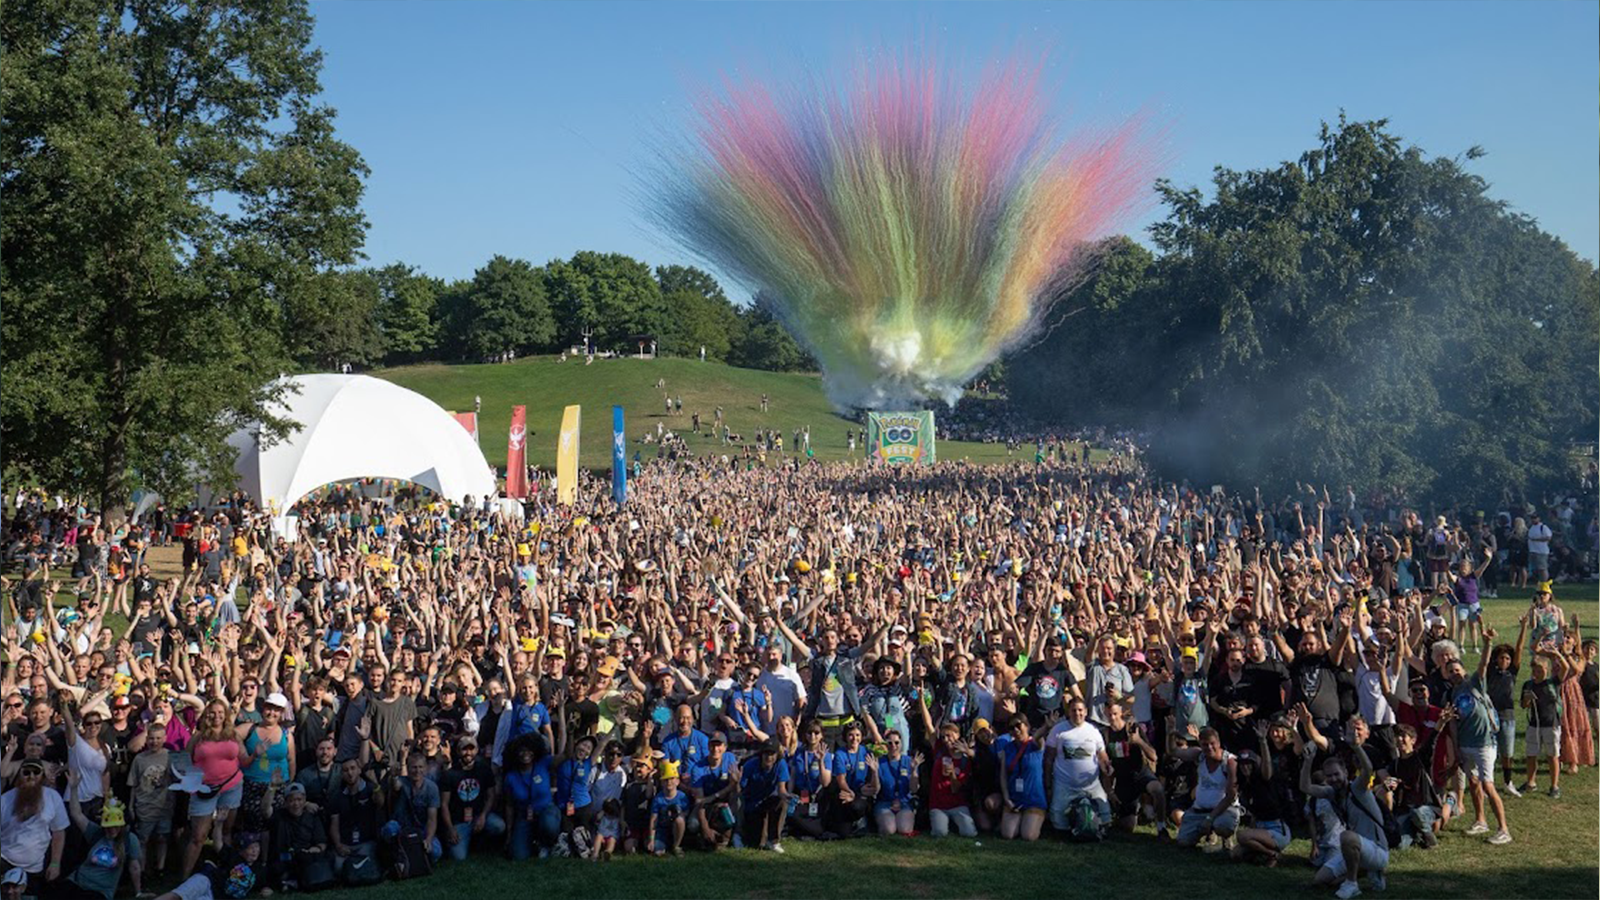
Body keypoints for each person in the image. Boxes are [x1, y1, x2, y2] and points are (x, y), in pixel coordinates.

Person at [1443, 635, 1512, 844]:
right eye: (1450, 671)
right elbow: (1454, 723)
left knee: (1488, 785)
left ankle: (1504, 830)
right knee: (1473, 783)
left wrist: (1488, 643)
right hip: (1466, 744)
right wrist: (1456, 749)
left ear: (1463, 671)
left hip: (1484, 744)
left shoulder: (1474, 683)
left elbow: (1483, 664)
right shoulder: (1453, 694)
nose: (1454, 674)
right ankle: (1480, 820)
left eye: (1457, 670)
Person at [1302, 740, 1388, 899]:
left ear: (1346, 773)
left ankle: (1352, 883)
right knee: (1319, 880)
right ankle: (1366, 872)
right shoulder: (1331, 793)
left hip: (1377, 850)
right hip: (1356, 847)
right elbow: (1305, 788)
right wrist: (1308, 760)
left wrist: (1356, 746)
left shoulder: (1357, 788)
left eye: (1337, 774)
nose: (1334, 779)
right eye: (1329, 776)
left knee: (1346, 836)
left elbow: (1368, 770)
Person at [0, 759, 69, 895]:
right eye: (26, 772)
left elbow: (58, 833)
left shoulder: (53, 797)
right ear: (20, 775)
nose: (31, 776)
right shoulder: (4, 799)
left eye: (36, 772)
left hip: (34, 868)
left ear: (42, 776)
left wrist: (55, 863)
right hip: (4, 861)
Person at [1043, 698, 1111, 833]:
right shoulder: (1058, 730)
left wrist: (1106, 766)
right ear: (1069, 712)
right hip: (1064, 784)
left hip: (1091, 785)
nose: (1077, 713)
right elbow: (1048, 759)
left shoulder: (1093, 731)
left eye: (1080, 710)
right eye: (1073, 710)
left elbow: (1102, 756)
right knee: (1058, 822)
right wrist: (1048, 784)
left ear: (1086, 712)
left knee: (1106, 818)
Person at [737, 740, 789, 852]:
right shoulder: (750, 765)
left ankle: (774, 841)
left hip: (770, 801)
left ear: (777, 755)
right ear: (761, 754)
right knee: (757, 843)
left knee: (782, 802)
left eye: (772, 754)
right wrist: (736, 782)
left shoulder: (781, 764)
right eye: (766, 753)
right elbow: (740, 790)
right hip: (753, 804)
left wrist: (787, 796)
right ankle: (742, 834)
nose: (769, 757)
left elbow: (781, 789)